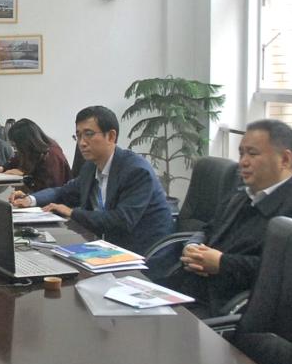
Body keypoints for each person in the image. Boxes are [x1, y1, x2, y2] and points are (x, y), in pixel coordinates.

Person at [159, 119, 292, 316]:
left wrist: (222, 264)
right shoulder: (242, 194)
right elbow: (210, 229)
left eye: (253, 153)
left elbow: (291, 277)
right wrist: (193, 245)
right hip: (189, 290)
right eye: (241, 153)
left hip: (226, 308)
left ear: (285, 159)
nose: (243, 162)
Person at [11, 106, 173, 255]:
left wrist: (72, 213)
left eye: (88, 134)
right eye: (78, 135)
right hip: (106, 248)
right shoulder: (90, 167)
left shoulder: (136, 171)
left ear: (111, 136)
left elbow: (121, 221)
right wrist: (30, 200)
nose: (81, 143)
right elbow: (62, 192)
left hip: (144, 255)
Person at [3, 118, 71, 191]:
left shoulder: (52, 156)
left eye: (17, 146)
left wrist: (25, 177)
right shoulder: (35, 151)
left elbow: (50, 190)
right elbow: (17, 159)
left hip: (52, 196)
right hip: (38, 194)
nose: (17, 150)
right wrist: (3, 168)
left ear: (26, 144)